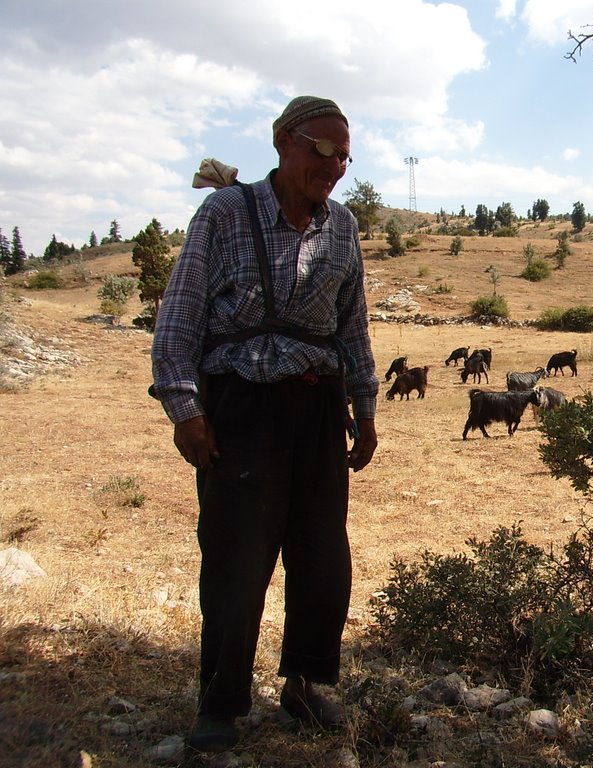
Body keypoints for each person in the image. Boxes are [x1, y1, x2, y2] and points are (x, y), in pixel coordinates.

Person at [151, 95, 378, 753]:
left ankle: (305, 687)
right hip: (242, 406)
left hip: (316, 410)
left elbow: (352, 325)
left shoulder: (343, 227)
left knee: (322, 559)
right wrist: (185, 407)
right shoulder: (226, 213)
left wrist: (365, 409)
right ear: (284, 142)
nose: (333, 167)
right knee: (236, 558)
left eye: (345, 157)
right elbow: (182, 314)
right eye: (322, 150)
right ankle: (219, 703)